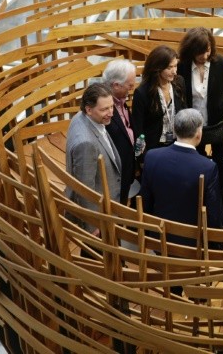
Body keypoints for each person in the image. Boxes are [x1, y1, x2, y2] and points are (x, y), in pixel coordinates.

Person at [140, 108, 223, 246]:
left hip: (158, 237)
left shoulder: (152, 156)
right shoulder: (207, 167)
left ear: (174, 129)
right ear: (199, 134)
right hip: (193, 244)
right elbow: (213, 214)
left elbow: (145, 201)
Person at [177, 27, 223, 200]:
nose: (205, 56)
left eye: (208, 50)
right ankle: (199, 194)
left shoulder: (221, 63)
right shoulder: (182, 66)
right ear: (191, 50)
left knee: (220, 160)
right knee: (196, 160)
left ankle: (222, 196)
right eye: (200, 52)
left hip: (218, 123)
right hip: (193, 125)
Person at [65, 83, 122, 233]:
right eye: (104, 109)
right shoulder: (86, 143)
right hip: (100, 213)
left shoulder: (82, 117)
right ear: (89, 109)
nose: (111, 113)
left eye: (111, 107)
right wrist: (92, 223)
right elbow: (84, 188)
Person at [131, 45, 186, 155]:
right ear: (157, 68)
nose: (174, 72)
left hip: (177, 144)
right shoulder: (142, 93)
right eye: (169, 68)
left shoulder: (179, 83)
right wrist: (142, 156)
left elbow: (185, 112)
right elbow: (138, 129)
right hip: (153, 149)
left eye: (175, 66)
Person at [102, 59, 137, 204]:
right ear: (116, 85)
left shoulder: (121, 99)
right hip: (114, 174)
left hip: (127, 168)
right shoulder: (103, 106)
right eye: (129, 85)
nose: (132, 89)